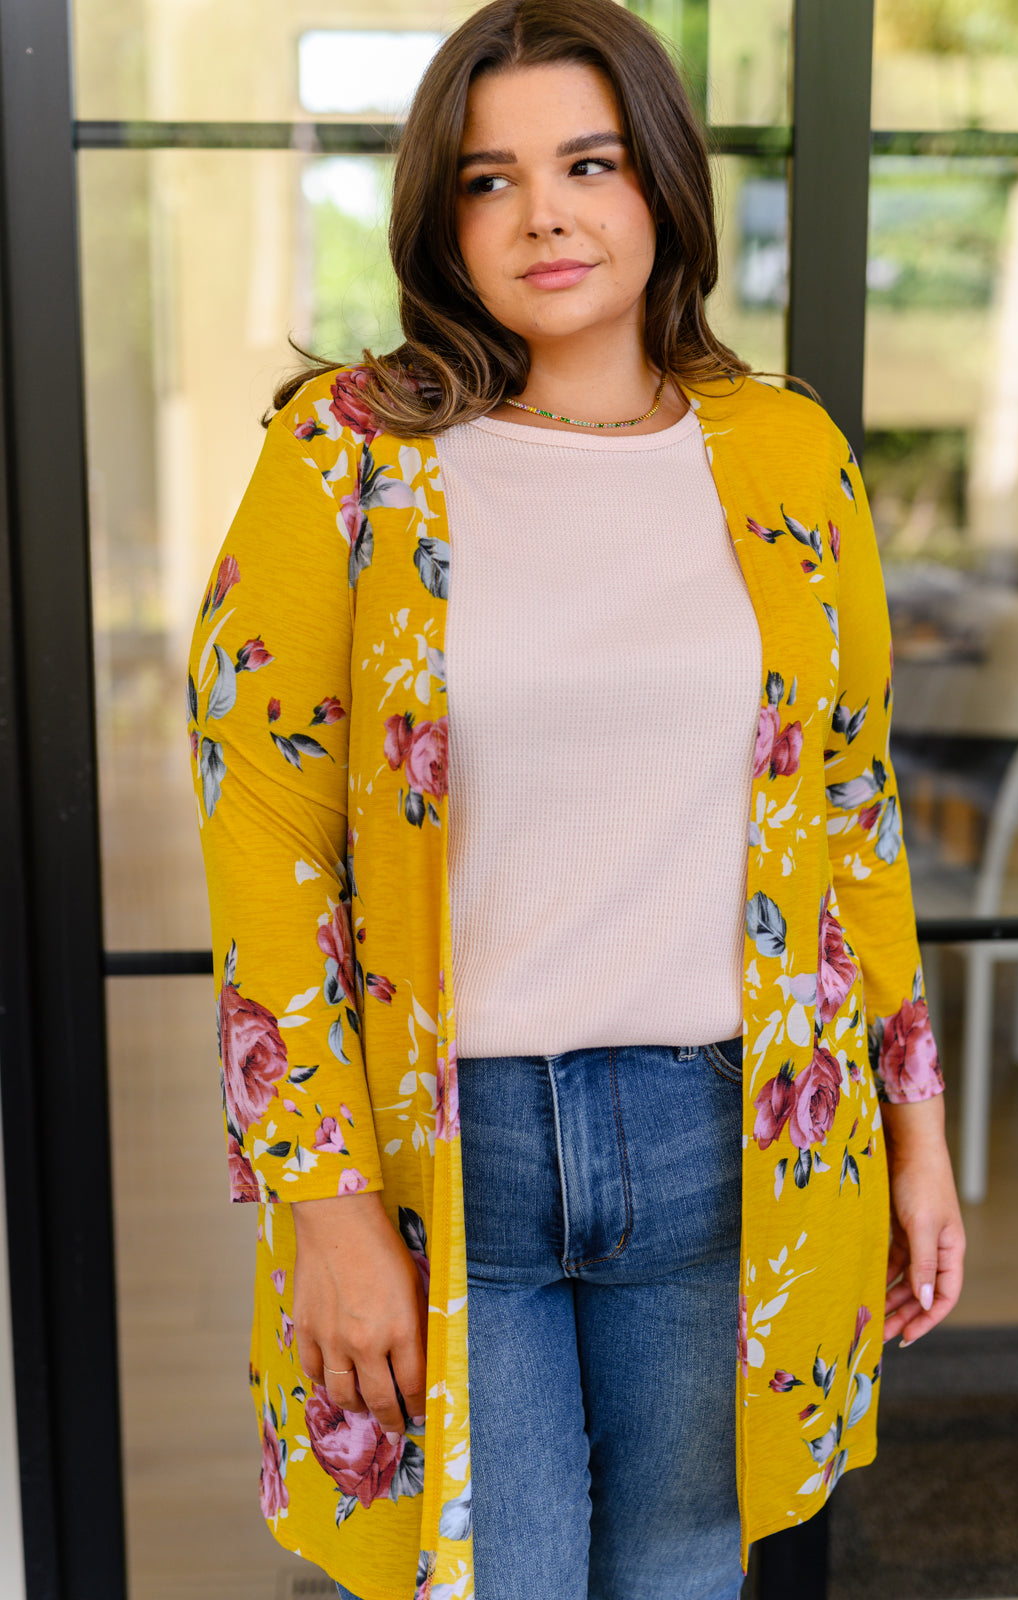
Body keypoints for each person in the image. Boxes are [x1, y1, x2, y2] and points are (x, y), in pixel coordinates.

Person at [186, 1, 966, 1597]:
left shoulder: (786, 453)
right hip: (445, 1156)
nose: (542, 213)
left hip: (727, 1136)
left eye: (587, 164)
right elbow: (262, 830)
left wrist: (918, 1130)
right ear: (440, 217)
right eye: (490, 179)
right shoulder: (347, 455)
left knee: (681, 1572)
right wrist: (327, 1209)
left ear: (662, 185)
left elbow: (850, 807)